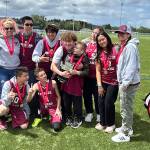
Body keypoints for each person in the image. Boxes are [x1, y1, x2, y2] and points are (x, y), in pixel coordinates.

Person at [111, 25, 140, 142]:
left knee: (126, 107)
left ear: (128, 34)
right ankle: (126, 127)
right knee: (124, 107)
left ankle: (126, 133)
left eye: (123, 33)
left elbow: (131, 67)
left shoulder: (130, 47)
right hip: (127, 82)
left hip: (128, 83)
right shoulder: (125, 46)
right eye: (119, 33)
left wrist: (125, 83)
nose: (120, 35)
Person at [60, 41, 89, 128]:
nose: (74, 49)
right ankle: (68, 116)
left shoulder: (84, 59)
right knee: (66, 102)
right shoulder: (70, 56)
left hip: (77, 86)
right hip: (67, 84)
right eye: (75, 47)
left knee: (77, 103)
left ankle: (78, 117)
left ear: (83, 51)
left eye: (77, 48)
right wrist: (65, 70)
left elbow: (86, 72)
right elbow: (65, 67)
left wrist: (77, 72)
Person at [51, 31, 77, 122]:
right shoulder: (61, 49)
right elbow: (52, 66)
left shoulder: (78, 48)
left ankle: (76, 114)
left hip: (75, 76)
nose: (67, 43)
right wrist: (61, 73)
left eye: (69, 41)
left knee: (75, 96)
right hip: (61, 76)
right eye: (65, 41)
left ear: (74, 41)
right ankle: (63, 113)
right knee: (62, 95)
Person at [95, 32, 118, 133]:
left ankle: (111, 124)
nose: (101, 42)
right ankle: (102, 123)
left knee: (108, 103)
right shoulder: (99, 53)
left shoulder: (115, 49)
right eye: (99, 41)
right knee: (100, 103)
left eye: (103, 39)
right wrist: (99, 85)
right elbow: (98, 71)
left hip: (113, 82)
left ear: (107, 38)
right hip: (103, 82)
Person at [83, 27, 104, 123]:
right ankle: (89, 113)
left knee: (97, 96)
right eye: (93, 32)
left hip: (98, 75)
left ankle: (99, 114)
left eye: (97, 33)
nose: (94, 34)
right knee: (87, 95)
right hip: (87, 75)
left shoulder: (101, 44)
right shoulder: (86, 43)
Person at [18, 16, 41, 85]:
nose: (29, 26)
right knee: (19, 88)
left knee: (30, 88)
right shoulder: (17, 36)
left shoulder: (37, 37)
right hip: (19, 68)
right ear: (23, 25)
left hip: (31, 69)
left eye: (31, 25)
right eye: (27, 24)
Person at [0, 18, 20, 97]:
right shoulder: (0, 40)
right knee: (3, 92)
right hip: (3, 71)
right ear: (3, 29)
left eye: (11, 28)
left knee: (15, 91)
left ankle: (13, 109)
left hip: (15, 70)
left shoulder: (16, 40)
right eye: (6, 28)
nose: (9, 30)